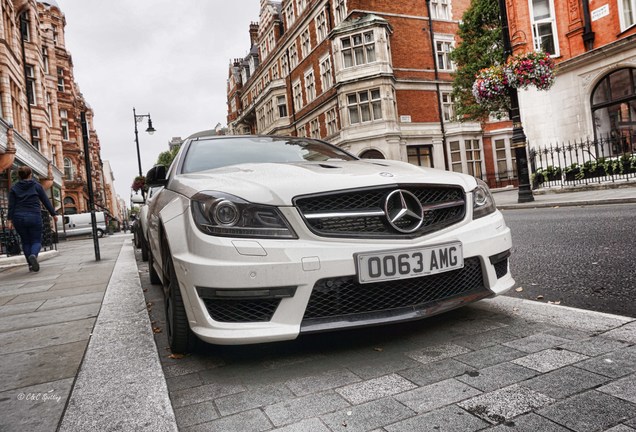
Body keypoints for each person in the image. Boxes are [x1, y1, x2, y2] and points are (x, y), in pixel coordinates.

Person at [7, 166, 58, 272]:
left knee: (25, 242)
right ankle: (33, 255)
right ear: (30, 175)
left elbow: (11, 205)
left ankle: (30, 265)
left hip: (18, 217)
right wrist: (53, 214)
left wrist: (9, 220)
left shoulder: (14, 188)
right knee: (36, 240)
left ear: (19, 176)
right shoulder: (36, 186)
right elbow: (45, 201)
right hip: (34, 216)